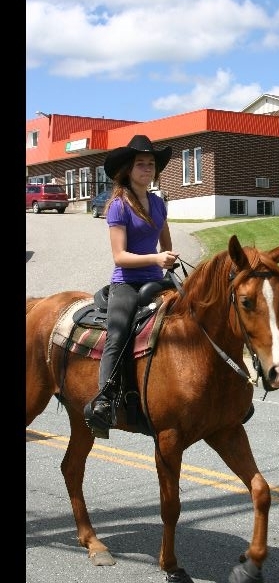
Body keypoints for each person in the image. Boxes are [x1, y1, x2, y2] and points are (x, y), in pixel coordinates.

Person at [84, 135, 179, 438]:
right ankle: (104, 398)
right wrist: (156, 257)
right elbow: (119, 256)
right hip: (126, 281)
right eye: (141, 164)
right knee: (119, 330)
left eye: (151, 164)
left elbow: (166, 242)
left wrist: (168, 259)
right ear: (128, 169)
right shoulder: (118, 206)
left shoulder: (158, 203)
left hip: (156, 279)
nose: (147, 169)